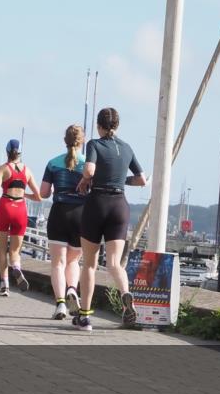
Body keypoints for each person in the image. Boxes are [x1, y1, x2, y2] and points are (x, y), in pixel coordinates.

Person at [75, 107, 148, 331]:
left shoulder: (95, 145)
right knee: (115, 263)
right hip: (120, 206)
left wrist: (89, 177)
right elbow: (142, 180)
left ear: (99, 126)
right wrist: (120, 180)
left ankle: (85, 317)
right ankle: (126, 298)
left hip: (98, 204)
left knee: (89, 263)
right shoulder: (126, 148)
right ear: (117, 126)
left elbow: (88, 170)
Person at [41, 125, 86, 320]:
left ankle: (60, 304)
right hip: (80, 215)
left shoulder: (53, 163)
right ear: (81, 140)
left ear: (64, 140)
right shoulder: (88, 165)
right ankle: (72, 290)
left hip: (58, 213)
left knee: (57, 263)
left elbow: (43, 193)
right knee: (74, 260)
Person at [0, 139, 42, 296]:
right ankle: (17, 268)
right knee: (15, 250)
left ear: (7, 152)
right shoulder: (28, 171)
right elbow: (38, 197)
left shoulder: (1, 170)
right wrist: (24, 194)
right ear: (20, 153)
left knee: (2, 250)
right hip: (20, 210)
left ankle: (5, 285)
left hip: (4, 207)